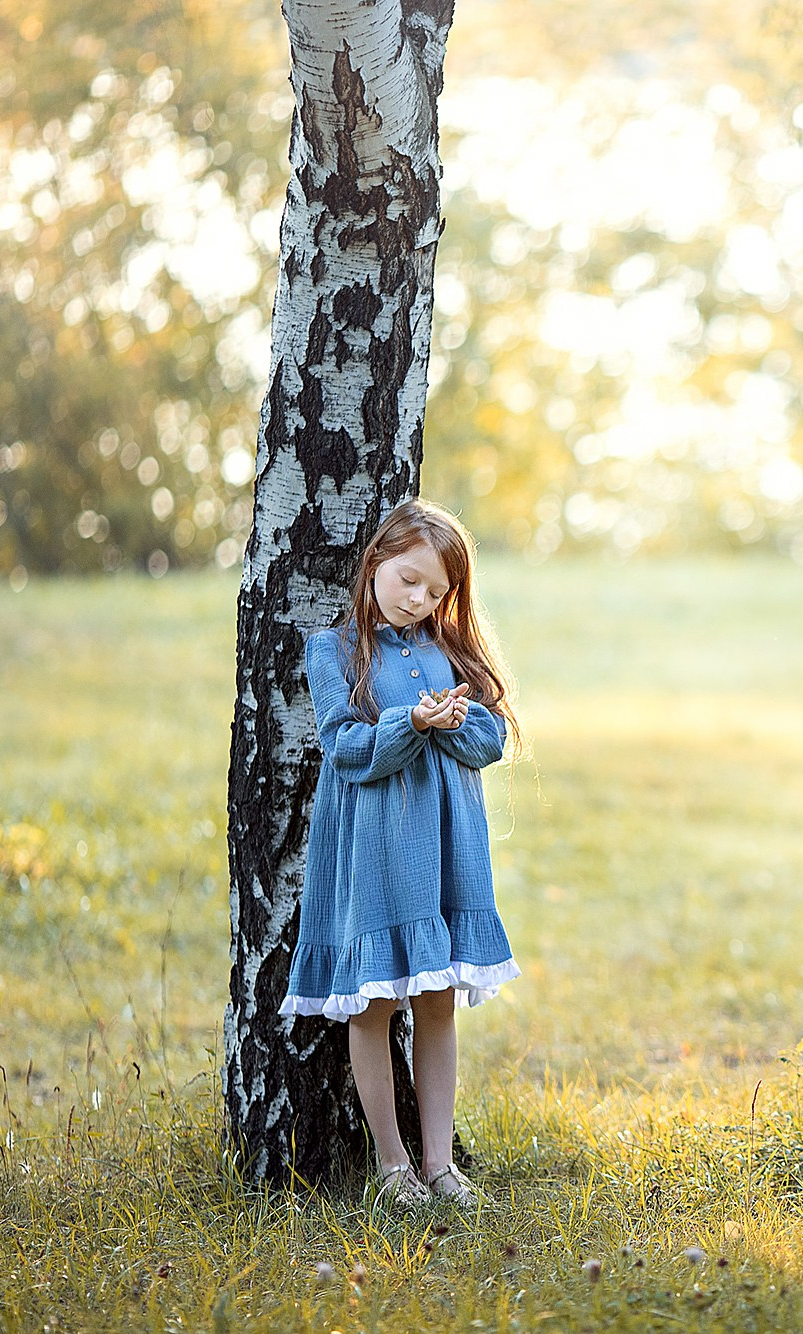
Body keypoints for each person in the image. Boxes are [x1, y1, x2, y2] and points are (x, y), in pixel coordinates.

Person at [280, 499, 521, 1210]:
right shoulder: (333, 651)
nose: (418, 600)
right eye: (408, 579)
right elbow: (345, 747)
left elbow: (490, 740)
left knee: (438, 1002)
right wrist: (410, 722)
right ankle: (393, 1166)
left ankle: (440, 1164)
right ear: (376, 561)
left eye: (436, 591)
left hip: (445, 853)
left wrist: (451, 720)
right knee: (376, 1004)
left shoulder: (449, 650)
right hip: (378, 855)